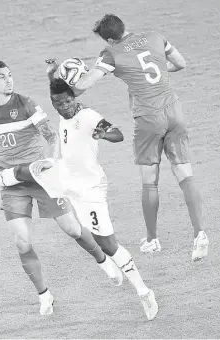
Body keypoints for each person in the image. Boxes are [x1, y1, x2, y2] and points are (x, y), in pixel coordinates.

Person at [0, 62, 159, 321]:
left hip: (67, 182)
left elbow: (66, 134)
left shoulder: (50, 109)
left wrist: (97, 138)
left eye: (10, 75)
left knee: (84, 234)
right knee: (22, 229)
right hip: (36, 178)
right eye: (2, 76)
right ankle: (44, 295)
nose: (9, 80)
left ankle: (119, 272)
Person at [60, 14, 209, 262]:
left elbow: (85, 84)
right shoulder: (154, 36)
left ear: (108, 38)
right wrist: (159, 70)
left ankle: (152, 240)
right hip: (174, 110)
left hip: (148, 119)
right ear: (123, 27)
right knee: (185, 173)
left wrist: (66, 86)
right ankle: (200, 234)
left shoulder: (111, 53)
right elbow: (180, 63)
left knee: (149, 180)